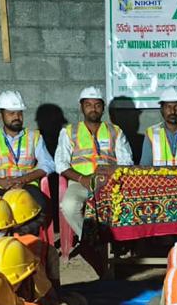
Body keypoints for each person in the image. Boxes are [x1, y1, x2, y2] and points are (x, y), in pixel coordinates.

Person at [55, 85, 134, 242]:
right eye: (88, 105)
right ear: (81, 107)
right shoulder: (69, 132)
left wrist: (107, 177)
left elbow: (127, 162)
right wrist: (82, 179)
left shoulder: (115, 131)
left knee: (126, 205)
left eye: (97, 105)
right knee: (69, 206)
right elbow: (60, 164)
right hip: (80, 183)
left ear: (103, 108)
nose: (93, 109)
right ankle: (89, 239)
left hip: (110, 183)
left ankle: (116, 240)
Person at [0, 90, 53, 210]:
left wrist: (23, 179)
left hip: (26, 185)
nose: (16, 117)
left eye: (19, 113)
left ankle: (20, 229)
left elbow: (48, 164)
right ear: (1, 116)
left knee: (37, 207)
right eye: (11, 113)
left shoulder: (34, 137)